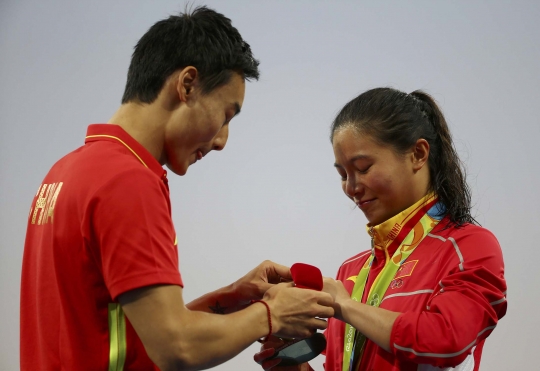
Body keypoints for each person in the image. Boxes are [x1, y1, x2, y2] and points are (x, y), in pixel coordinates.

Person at [20, 6, 335, 371]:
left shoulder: (65, 171)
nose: (222, 141)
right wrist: (271, 314)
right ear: (187, 84)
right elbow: (176, 347)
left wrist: (230, 298)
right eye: (226, 115)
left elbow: (129, 331)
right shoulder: (129, 181)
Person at [255, 87, 507, 371]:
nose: (351, 187)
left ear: (418, 154)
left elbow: (447, 339)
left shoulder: (468, 246)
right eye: (343, 174)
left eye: (362, 168)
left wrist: (345, 306)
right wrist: (291, 366)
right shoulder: (349, 273)